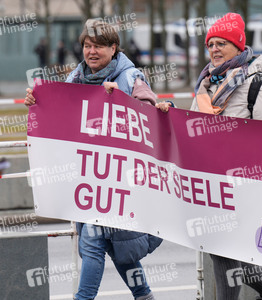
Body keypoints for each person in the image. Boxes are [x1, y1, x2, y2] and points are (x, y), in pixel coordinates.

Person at [25, 19, 167, 300]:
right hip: (88, 178)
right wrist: (37, 103)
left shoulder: (129, 78)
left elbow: (151, 115)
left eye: (99, 46)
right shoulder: (74, 79)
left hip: (119, 182)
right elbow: (59, 115)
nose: (91, 52)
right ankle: (144, 296)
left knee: (106, 246)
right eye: (87, 46)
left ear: (113, 48)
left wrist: (143, 106)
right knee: (108, 247)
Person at [189, 12, 262, 300]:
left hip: (245, 187)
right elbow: (189, 129)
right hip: (212, 185)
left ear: (239, 47)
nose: (214, 49)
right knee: (222, 249)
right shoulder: (205, 86)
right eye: (210, 43)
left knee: (225, 250)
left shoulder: (257, 86)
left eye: (221, 43)